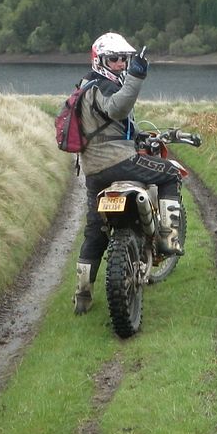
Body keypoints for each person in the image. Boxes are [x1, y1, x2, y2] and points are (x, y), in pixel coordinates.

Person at [71, 32, 184, 315]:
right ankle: (169, 238)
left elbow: (111, 125)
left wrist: (139, 136)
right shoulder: (104, 86)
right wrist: (137, 76)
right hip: (117, 162)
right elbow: (118, 109)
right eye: (115, 59)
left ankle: (82, 297)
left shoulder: (85, 86)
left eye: (125, 59)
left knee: (95, 231)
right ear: (100, 60)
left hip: (94, 169)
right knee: (170, 173)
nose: (121, 64)